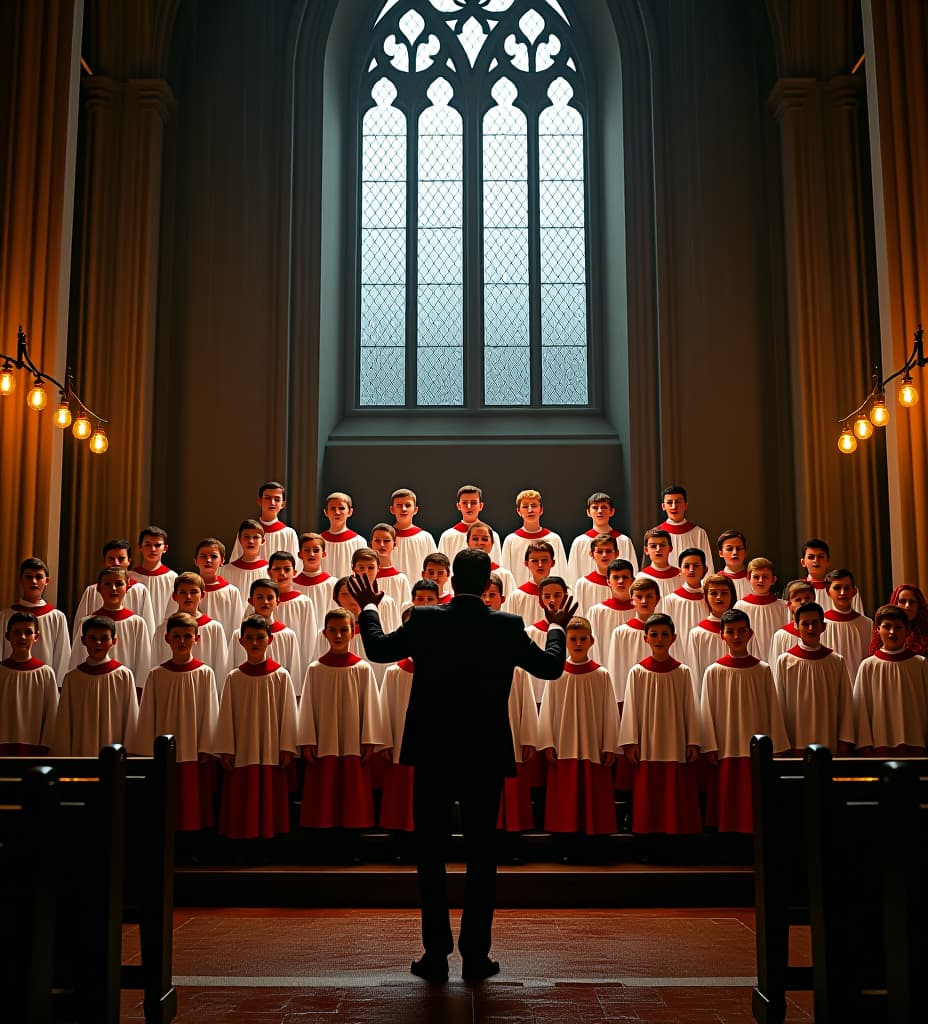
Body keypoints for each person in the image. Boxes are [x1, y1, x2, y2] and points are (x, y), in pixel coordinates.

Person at [349, 548, 576, 982]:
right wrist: (556, 627)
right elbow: (549, 669)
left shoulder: (427, 618)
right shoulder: (507, 626)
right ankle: (475, 956)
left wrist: (369, 606)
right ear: (487, 579)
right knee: (482, 857)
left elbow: (377, 650)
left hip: (433, 751)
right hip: (483, 753)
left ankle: (435, 955)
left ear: (452, 580)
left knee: (430, 856)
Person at [699, 609, 788, 832]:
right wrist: (710, 744)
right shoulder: (714, 671)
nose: (736, 636)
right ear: (722, 635)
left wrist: (775, 745)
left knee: (756, 798)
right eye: (731, 631)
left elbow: (773, 709)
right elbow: (706, 710)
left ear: (751, 633)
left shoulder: (762, 670)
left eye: (741, 631)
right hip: (726, 744)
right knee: (726, 798)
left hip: (756, 748)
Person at [297, 608, 384, 835]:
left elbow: (371, 707)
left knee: (353, 794)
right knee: (324, 794)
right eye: (332, 630)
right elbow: (307, 707)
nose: (338, 636)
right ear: (324, 633)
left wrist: (369, 740)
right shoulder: (315, 669)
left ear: (353, 633)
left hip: (353, 743)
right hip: (324, 742)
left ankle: (351, 844)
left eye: (343, 630)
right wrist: (307, 740)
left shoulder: (362, 668)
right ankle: (326, 843)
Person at [213, 614, 298, 841]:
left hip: (271, 749)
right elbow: (226, 717)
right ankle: (244, 842)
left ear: (270, 640)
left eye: (260, 637)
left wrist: (287, 747)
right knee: (242, 797)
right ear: (241, 641)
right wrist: (227, 749)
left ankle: (269, 844)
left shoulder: (281, 675)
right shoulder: (234, 677)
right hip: (242, 749)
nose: (254, 643)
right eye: (249, 638)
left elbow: (288, 714)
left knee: (271, 797)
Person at [133, 612, 219, 830]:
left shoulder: (204, 673)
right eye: (177, 636)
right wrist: (147, 752)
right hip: (164, 754)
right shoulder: (156, 675)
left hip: (194, 749)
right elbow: (147, 716)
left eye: (187, 636)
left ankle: (192, 846)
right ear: (167, 638)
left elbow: (210, 713)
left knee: (193, 801)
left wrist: (206, 746)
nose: (182, 641)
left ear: (196, 639)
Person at [618, 613, 702, 835]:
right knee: (649, 795)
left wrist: (692, 741)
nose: (659, 639)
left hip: (675, 742)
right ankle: (649, 842)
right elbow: (630, 710)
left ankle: (675, 841)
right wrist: (630, 742)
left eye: (664, 634)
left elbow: (690, 709)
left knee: (675, 795)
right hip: (647, 744)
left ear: (673, 638)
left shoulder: (682, 672)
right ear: (645, 639)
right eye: (654, 634)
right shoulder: (637, 672)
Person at [537, 616, 619, 840]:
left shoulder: (601, 675)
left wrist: (609, 745)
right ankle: (566, 843)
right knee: (565, 797)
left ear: (591, 641)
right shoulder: (557, 673)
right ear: (565, 643)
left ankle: (594, 841)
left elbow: (609, 712)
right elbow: (547, 709)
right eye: (573, 639)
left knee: (594, 795)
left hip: (593, 745)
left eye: (583, 639)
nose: (578, 643)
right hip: (564, 745)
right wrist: (548, 742)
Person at [774, 601, 854, 754]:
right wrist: (781, 745)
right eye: (805, 623)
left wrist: (845, 741)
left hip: (829, 741)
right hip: (795, 741)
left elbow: (846, 705)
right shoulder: (785, 661)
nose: (810, 628)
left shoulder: (836, 661)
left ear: (823, 626)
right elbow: (779, 705)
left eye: (815, 623)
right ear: (796, 626)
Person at [55, 615, 138, 755]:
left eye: (104, 638)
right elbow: (64, 723)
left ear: (114, 641)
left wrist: (128, 754)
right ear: (83, 640)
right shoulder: (73, 678)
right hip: (80, 752)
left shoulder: (124, 675)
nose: (98, 643)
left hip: (114, 753)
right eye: (92, 638)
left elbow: (131, 718)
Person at [853, 604, 928, 755]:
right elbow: (860, 709)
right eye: (887, 626)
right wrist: (865, 744)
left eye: (898, 627)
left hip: (917, 741)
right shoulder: (868, 666)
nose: (892, 632)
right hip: (880, 742)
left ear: (907, 631)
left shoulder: (920, 664)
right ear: (878, 629)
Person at [69, 567, 151, 691]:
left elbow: (143, 661)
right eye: (107, 584)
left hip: (125, 688)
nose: (113, 588)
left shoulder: (137, 623)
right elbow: (77, 659)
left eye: (118, 584)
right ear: (98, 589)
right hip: (91, 686)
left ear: (128, 587)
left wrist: (139, 691)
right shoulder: (87, 623)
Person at [151, 571, 230, 685]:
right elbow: (155, 662)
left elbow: (221, 668)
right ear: (174, 596)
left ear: (202, 595)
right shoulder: (163, 628)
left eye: (193, 592)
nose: (188, 597)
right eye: (183, 592)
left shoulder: (214, 628)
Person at [0, 556, 71, 681]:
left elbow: (62, 657)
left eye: (38, 577)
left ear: (47, 581)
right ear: (20, 580)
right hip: (9, 679)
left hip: (44, 682)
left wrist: (59, 686)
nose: (34, 581)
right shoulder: (5, 616)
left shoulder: (57, 617)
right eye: (28, 576)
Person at [0, 611, 58, 753]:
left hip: (35, 749)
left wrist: (46, 747)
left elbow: (52, 714)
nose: (22, 637)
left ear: (36, 637)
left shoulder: (45, 673)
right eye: (17, 632)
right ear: (8, 636)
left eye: (28, 632)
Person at [72, 540, 157, 636]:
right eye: (111, 559)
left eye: (121, 559)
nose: (116, 563)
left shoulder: (140, 591)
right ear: (104, 561)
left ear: (129, 561)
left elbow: (148, 629)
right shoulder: (91, 591)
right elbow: (80, 630)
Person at [565, 491, 638, 586]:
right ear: (588, 512)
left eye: (604, 507)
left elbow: (634, 573)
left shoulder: (624, 541)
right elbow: (572, 575)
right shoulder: (580, 542)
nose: (600, 511)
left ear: (611, 511)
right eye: (595, 507)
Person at [500, 489, 567, 587]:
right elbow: (505, 575)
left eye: (534, 506)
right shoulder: (511, 540)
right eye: (525, 506)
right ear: (519, 511)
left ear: (541, 510)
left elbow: (563, 572)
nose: (530, 510)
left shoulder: (554, 539)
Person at [229, 480, 299, 561]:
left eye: (277, 499)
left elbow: (295, 566)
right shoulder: (246, 532)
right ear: (259, 501)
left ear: (283, 504)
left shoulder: (289, 534)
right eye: (267, 498)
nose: (272, 502)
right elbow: (235, 562)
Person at [734, 557, 788, 663]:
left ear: (773, 580)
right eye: (756, 577)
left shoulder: (783, 606)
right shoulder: (740, 606)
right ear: (748, 578)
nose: (760, 580)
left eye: (765, 577)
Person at [823, 568, 872, 679]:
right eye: (837, 588)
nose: (842, 592)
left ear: (854, 592)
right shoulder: (822, 623)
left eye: (847, 588)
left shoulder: (867, 624)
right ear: (828, 592)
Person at [195, 538, 246, 640]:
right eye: (203, 556)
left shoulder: (232, 592)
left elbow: (237, 627)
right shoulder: (185, 589)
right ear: (195, 561)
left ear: (222, 561)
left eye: (213, 556)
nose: (208, 560)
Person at [438, 485, 502, 563]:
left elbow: (497, 566)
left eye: (473, 503)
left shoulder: (492, 535)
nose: (469, 507)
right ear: (458, 506)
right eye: (464, 503)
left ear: (481, 506)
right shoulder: (447, 536)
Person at [653, 485, 712, 569]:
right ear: (663, 506)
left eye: (678, 502)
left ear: (685, 505)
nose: (674, 507)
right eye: (669, 503)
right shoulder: (654, 534)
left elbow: (707, 565)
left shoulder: (699, 533)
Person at [130, 526, 178, 622]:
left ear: (165, 548)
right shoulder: (130, 576)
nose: (153, 549)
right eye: (148, 545)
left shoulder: (173, 578)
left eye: (157, 545)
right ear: (140, 546)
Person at [504, 540, 557, 626]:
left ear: (553, 563)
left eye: (544, 560)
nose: (540, 565)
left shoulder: (564, 593)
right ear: (526, 563)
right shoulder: (517, 596)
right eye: (534, 561)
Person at [389, 488, 437, 582]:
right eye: (399, 505)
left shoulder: (425, 537)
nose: (403, 509)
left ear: (415, 510)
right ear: (392, 509)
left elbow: (435, 566)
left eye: (408, 505)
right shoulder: (384, 538)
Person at [867, 583, 928, 656]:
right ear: (895, 603)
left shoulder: (925, 633)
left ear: (919, 606)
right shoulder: (884, 632)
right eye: (902, 601)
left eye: (911, 602)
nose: (907, 606)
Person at [292, 532, 335, 629]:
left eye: (316, 550)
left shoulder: (332, 584)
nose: (311, 554)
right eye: (307, 550)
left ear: (323, 554)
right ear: (300, 554)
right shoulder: (292, 584)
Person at [320, 492, 366, 579]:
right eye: (333, 508)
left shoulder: (359, 542)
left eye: (341, 508)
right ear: (326, 512)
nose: (337, 512)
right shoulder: (319, 541)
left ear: (350, 512)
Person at [223, 520, 270, 600]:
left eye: (255, 537)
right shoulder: (226, 571)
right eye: (246, 537)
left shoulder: (269, 570)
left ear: (262, 541)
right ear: (240, 539)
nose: (250, 541)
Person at [572, 534, 618, 616]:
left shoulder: (626, 582)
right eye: (600, 551)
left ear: (617, 553)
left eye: (608, 551)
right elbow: (578, 615)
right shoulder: (583, 584)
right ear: (591, 554)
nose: (604, 555)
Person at [370, 522, 413, 608]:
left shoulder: (401, 579)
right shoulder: (363, 578)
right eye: (377, 541)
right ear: (371, 544)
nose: (382, 545)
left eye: (386, 541)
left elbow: (406, 610)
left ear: (394, 544)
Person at [637, 528, 681, 599]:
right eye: (653, 546)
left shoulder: (680, 576)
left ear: (670, 548)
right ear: (646, 550)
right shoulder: (641, 578)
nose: (658, 549)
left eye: (662, 545)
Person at [717, 530, 750, 600]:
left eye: (739, 548)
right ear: (721, 553)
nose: (735, 552)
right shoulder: (716, 581)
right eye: (729, 549)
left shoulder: (754, 579)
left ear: (745, 552)